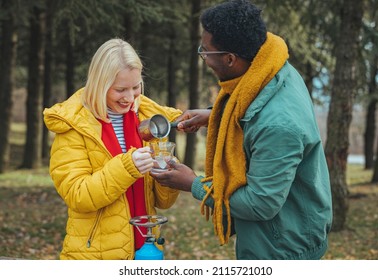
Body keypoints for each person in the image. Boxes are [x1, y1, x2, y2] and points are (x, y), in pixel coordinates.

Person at [151, 0, 333, 260]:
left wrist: (193, 184)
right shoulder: (273, 65)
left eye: (206, 52)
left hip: (282, 247)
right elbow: (258, 104)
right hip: (273, 234)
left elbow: (260, 203)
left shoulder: (278, 126)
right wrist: (217, 115)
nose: (203, 58)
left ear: (230, 59)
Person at [43, 38, 182, 260]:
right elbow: (77, 195)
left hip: (145, 249)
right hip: (94, 256)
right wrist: (128, 167)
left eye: (136, 87)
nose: (129, 97)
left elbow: (162, 203)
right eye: (120, 89)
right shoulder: (74, 125)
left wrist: (166, 175)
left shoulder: (147, 120)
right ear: (100, 84)